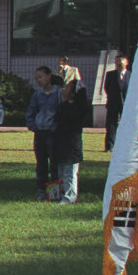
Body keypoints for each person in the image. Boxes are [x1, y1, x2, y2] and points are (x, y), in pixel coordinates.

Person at [24, 66, 60, 201]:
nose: (38, 80)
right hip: (40, 133)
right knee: (41, 164)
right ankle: (41, 191)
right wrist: (33, 126)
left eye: (41, 77)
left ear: (49, 76)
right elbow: (31, 112)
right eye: (36, 78)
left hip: (53, 134)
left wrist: (55, 128)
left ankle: (55, 193)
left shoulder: (58, 93)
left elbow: (61, 113)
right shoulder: (37, 95)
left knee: (55, 164)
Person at [53, 78, 90, 204]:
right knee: (61, 171)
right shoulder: (64, 105)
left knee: (70, 172)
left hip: (72, 145)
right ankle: (61, 193)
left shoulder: (77, 109)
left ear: (73, 93)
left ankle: (70, 196)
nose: (64, 89)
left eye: (68, 87)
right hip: (61, 143)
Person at [103, 53, 129, 151]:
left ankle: (125, 145)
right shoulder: (110, 74)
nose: (118, 64)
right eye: (116, 62)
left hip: (126, 104)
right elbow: (107, 88)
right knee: (111, 125)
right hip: (113, 103)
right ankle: (109, 146)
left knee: (126, 125)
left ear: (126, 62)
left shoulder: (131, 75)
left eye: (120, 61)